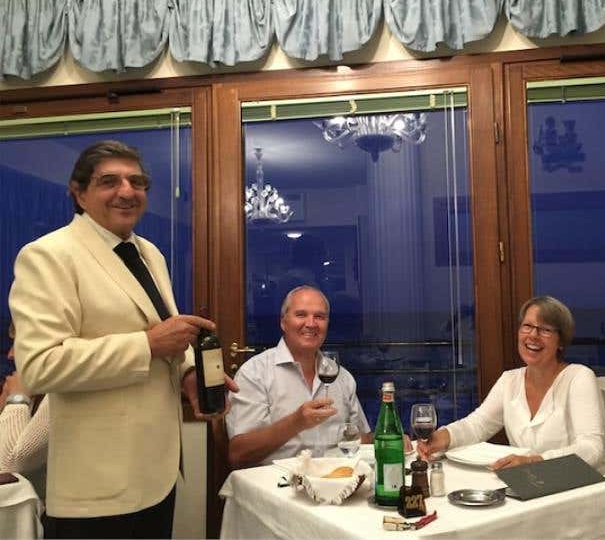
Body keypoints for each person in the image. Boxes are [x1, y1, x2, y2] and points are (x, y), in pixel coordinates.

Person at [8, 140, 237, 539]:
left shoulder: (150, 254)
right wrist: (146, 345)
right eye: (109, 181)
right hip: (97, 484)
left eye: (137, 181)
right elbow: (41, 365)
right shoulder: (48, 255)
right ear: (79, 193)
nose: (127, 191)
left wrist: (187, 374)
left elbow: (164, 332)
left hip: (159, 473)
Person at [417, 295, 605, 475]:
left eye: (545, 330)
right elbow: (477, 425)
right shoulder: (510, 380)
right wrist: (441, 438)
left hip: (593, 487)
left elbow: (592, 448)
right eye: (527, 326)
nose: (533, 335)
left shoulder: (579, 377)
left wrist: (533, 461)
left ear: (561, 342)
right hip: (537, 483)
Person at [227, 285, 371, 467]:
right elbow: (238, 455)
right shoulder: (254, 373)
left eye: (319, 316)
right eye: (301, 315)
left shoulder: (341, 376)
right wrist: (296, 422)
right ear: (283, 322)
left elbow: (362, 439)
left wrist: (391, 440)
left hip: (333, 479)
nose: (311, 324)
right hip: (276, 481)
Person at [0, 322, 49, 498]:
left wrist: (17, 399)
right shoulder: (32, 389)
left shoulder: (61, 392)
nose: (10, 355)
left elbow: (7, 467)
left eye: (18, 344)